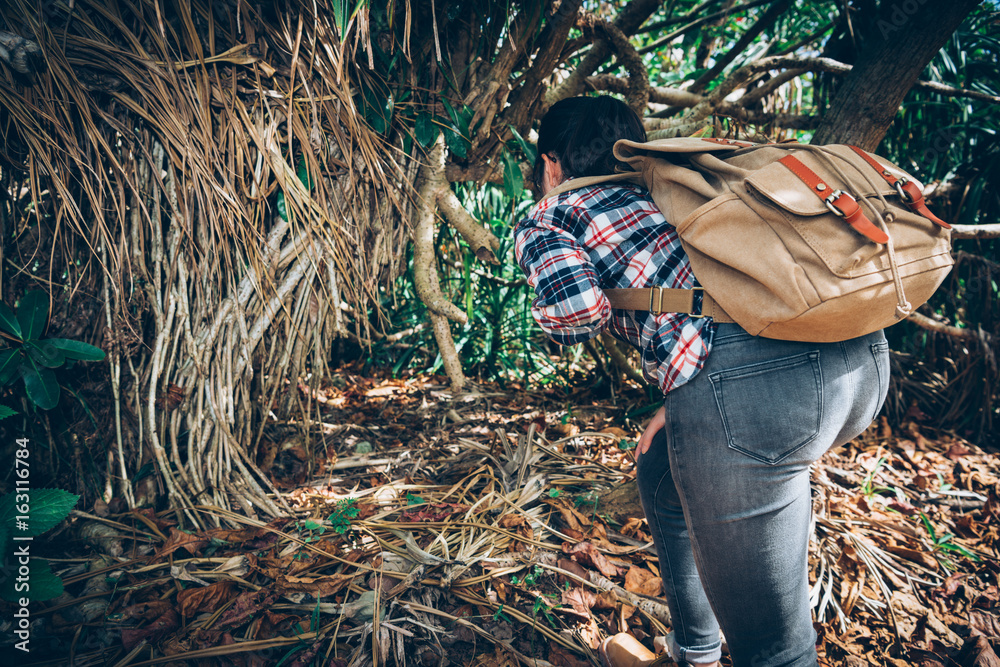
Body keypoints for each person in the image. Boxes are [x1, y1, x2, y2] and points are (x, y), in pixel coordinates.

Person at [514, 96, 890, 667]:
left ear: (552, 165)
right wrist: (688, 391)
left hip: (759, 396)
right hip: (859, 363)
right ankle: (696, 653)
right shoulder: (678, 188)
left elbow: (577, 312)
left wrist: (537, 308)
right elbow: (711, 290)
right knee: (662, 471)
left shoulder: (553, 213)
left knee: (773, 652)